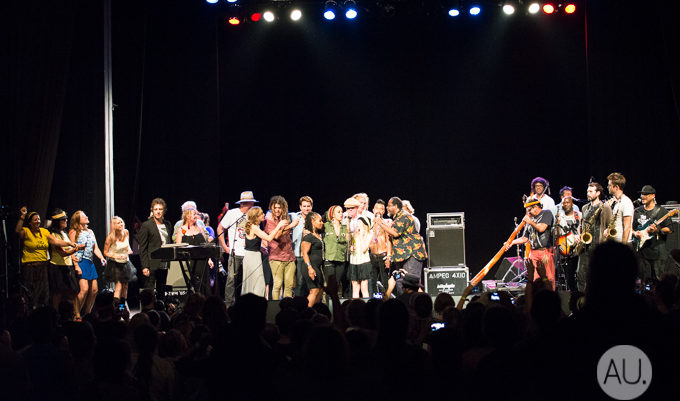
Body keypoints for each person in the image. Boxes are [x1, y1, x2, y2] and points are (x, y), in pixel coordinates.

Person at [15, 207, 78, 310]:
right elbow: (17, 231)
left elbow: (56, 241)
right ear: (30, 222)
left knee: (43, 293)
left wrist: (69, 243)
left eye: (39, 219)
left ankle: (41, 313)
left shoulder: (44, 232)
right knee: (29, 292)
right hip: (29, 267)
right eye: (35, 220)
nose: (38, 221)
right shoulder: (26, 231)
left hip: (42, 266)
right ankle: (29, 313)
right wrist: (22, 217)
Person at [375, 197, 428, 294]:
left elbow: (395, 233)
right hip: (402, 256)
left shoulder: (404, 216)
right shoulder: (397, 218)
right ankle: (404, 301)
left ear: (395, 206)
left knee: (411, 283)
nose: (387, 208)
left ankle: (419, 301)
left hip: (412, 254)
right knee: (400, 281)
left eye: (389, 206)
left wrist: (381, 223)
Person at [218, 191, 258, 305]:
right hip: (235, 252)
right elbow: (220, 228)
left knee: (249, 279)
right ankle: (229, 304)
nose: (252, 205)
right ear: (243, 203)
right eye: (250, 203)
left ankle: (248, 304)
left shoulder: (253, 214)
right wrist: (224, 246)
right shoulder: (232, 213)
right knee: (231, 279)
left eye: (252, 203)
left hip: (250, 252)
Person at [507, 199, 556, 289]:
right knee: (535, 279)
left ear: (536, 207)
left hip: (545, 252)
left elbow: (541, 228)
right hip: (533, 253)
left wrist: (529, 222)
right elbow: (525, 238)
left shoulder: (546, 213)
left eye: (529, 210)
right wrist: (511, 242)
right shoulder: (531, 220)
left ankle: (550, 296)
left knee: (548, 277)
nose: (528, 213)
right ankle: (536, 296)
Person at [576, 182, 613, 292]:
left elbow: (611, 225)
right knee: (580, 274)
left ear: (598, 193)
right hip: (584, 246)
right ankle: (582, 297)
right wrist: (579, 235)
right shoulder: (584, 208)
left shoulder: (605, 207)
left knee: (597, 275)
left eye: (591, 191)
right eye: (588, 191)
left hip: (598, 246)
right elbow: (581, 225)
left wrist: (607, 231)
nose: (588, 193)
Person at [242, 207, 286, 297]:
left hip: (250, 255)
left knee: (252, 281)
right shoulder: (254, 227)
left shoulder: (252, 226)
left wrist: (259, 247)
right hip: (253, 257)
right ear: (256, 216)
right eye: (261, 214)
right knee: (258, 282)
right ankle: (257, 301)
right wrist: (279, 226)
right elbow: (269, 238)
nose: (263, 215)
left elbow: (245, 243)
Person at [632, 185, 673, 281]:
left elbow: (670, 229)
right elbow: (630, 228)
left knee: (658, 280)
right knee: (642, 279)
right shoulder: (637, 211)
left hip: (657, 251)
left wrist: (658, 230)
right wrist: (635, 234)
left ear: (653, 196)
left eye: (646, 194)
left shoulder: (662, 211)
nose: (642, 196)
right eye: (642, 194)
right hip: (641, 251)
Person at [69, 210, 106, 316]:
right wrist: (76, 265)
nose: (86, 217)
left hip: (89, 262)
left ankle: (87, 314)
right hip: (80, 261)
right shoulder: (73, 232)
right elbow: (71, 249)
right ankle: (75, 314)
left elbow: (95, 248)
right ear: (77, 220)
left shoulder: (90, 232)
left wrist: (101, 258)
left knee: (94, 290)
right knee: (84, 289)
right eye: (83, 216)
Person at [46, 209, 80, 314]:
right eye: (63, 219)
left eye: (66, 219)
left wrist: (74, 257)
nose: (66, 221)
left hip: (67, 265)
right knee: (57, 293)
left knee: (73, 292)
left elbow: (68, 251)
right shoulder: (52, 234)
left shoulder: (64, 233)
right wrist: (74, 249)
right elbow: (62, 252)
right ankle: (56, 315)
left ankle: (77, 315)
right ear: (57, 221)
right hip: (57, 266)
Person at [265, 196, 299, 300]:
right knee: (277, 285)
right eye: (275, 207)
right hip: (276, 257)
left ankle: (287, 307)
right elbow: (276, 236)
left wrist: (287, 225)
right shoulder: (269, 220)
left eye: (279, 208)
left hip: (289, 256)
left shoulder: (285, 218)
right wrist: (289, 226)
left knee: (289, 286)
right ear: (271, 207)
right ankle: (276, 307)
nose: (277, 210)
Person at [137, 198, 173, 297]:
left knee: (162, 290)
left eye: (160, 209)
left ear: (164, 210)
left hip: (164, 262)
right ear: (152, 210)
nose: (158, 211)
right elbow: (142, 247)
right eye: (155, 209)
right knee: (150, 292)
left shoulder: (167, 224)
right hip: (151, 263)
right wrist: (145, 266)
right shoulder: (146, 225)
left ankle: (161, 306)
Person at [176, 208, 214, 295]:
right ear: (187, 216)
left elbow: (205, 246)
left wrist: (209, 259)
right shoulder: (181, 230)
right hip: (190, 261)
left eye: (196, 214)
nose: (196, 216)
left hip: (202, 261)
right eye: (194, 214)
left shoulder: (200, 229)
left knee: (204, 283)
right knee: (194, 283)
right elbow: (179, 247)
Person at [103, 216, 135, 308]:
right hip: (115, 263)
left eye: (121, 222)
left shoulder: (126, 232)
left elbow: (127, 245)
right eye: (118, 223)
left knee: (125, 285)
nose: (121, 224)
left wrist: (129, 250)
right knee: (119, 285)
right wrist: (116, 256)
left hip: (125, 262)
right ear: (114, 225)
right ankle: (116, 307)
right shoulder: (110, 237)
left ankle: (123, 305)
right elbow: (105, 252)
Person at [554, 196, 581, 292]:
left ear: (572, 203)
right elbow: (557, 235)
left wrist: (580, 236)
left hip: (579, 248)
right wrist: (557, 223)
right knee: (569, 278)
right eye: (563, 203)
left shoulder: (579, 215)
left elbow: (583, 228)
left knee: (580, 274)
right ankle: (573, 294)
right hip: (566, 250)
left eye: (567, 202)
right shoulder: (560, 217)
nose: (565, 204)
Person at [323, 205, 349, 299]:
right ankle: (328, 305)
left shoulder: (345, 227)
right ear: (332, 215)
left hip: (341, 259)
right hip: (329, 259)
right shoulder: (326, 226)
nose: (341, 214)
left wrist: (348, 227)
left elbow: (349, 240)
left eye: (342, 211)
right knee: (330, 285)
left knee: (337, 284)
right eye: (338, 212)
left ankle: (335, 304)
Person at [301, 212, 325, 307]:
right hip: (310, 266)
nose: (322, 223)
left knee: (320, 289)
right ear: (313, 221)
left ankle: (314, 310)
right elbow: (304, 253)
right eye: (320, 221)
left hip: (317, 266)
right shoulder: (308, 237)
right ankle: (306, 311)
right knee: (314, 290)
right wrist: (309, 268)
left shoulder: (318, 235)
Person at [291, 196, 313, 297]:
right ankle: (298, 302)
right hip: (299, 254)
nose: (306, 208)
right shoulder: (294, 217)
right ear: (300, 207)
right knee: (299, 281)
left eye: (308, 206)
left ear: (311, 207)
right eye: (304, 206)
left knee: (310, 282)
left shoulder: (315, 218)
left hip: (311, 254)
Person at [348, 214, 373, 299]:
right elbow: (351, 246)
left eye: (359, 223)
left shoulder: (369, 234)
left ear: (364, 224)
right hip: (354, 261)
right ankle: (354, 304)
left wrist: (361, 235)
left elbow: (364, 248)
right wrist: (351, 248)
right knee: (355, 286)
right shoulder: (354, 234)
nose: (357, 225)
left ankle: (366, 303)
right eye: (357, 223)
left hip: (363, 262)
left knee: (364, 286)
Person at [369, 200, 392, 295]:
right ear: (373, 210)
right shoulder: (369, 223)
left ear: (384, 211)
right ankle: (375, 301)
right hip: (372, 256)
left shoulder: (386, 223)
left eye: (381, 209)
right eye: (377, 208)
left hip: (383, 255)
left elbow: (389, 241)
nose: (378, 211)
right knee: (372, 283)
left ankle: (387, 300)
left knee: (385, 281)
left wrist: (388, 257)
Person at [606, 172, 634, 243]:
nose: (608, 187)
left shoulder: (626, 202)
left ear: (616, 187)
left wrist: (623, 246)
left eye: (610, 185)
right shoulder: (616, 202)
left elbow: (627, 227)